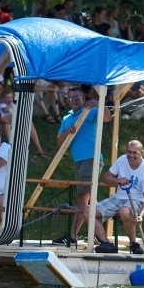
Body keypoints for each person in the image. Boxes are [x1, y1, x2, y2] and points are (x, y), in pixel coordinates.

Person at [51, 86, 113, 246]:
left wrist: (97, 102)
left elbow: (107, 117)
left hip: (91, 159)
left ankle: (72, 236)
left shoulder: (90, 111)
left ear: (83, 98)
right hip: (78, 161)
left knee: (82, 197)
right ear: (67, 100)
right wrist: (68, 132)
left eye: (77, 98)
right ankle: (100, 235)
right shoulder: (67, 118)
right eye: (71, 99)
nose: (74, 101)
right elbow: (59, 141)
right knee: (90, 199)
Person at [91, 140, 144, 254]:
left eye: (135, 153)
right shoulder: (121, 160)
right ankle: (106, 244)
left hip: (136, 199)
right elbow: (105, 178)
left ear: (141, 153)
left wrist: (140, 215)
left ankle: (134, 244)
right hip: (118, 197)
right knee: (88, 212)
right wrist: (117, 180)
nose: (131, 155)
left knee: (124, 212)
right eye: (129, 152)